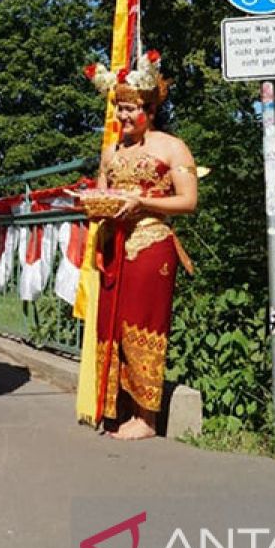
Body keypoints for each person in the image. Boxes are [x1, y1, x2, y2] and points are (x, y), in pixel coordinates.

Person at [90, 55, 197, 440]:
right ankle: (115, 406)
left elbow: (188, 202)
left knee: (143, 324)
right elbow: (103, 193)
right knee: (112, 325)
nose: (123, 115)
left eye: (131, 108)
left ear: (150, 109)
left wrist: (143, 203)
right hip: (115, 246)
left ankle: (147, 417)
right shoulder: (112, 152)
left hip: (151, 243)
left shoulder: (172, 147)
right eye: (119, 107)